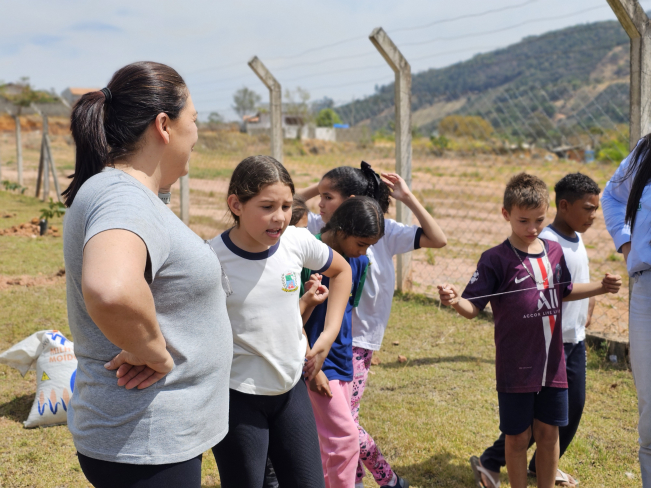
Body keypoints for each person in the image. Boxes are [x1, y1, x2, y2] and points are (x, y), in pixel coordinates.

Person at [62, 62, 232, 488]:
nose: (198, 134)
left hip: (145, 436)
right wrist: (155, 351)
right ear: (164, 125)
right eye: (194, 120)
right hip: (147, 437)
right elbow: (110, 288)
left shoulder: (124, 192)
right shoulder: (124, 195)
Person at [437, 173, 621, 488]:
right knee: (518, 436)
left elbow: (564, 291)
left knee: (549, 433)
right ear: (506, 214)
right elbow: (472, 308)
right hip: (516, 364)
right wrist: (455, 301)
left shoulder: (554, 252)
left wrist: (601, 288)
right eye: (523, 221)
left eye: (539, 220)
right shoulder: (494, 259)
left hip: (553, 361)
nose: (532, 228)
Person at [298, 162, 446, 488]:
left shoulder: (378, 236)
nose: (320, 203)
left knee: (343, 427)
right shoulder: (315, 236)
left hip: (355, 344)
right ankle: (383, 479)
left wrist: (407, 197)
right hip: (322, 348)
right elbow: (291, 203)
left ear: (351, 202)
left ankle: (367, 479)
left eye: (328, 196)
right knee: (343, 429)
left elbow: (438, 238)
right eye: (320, 195)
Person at [209, 155, 353, 488]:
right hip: (237, 397)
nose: (280, 217)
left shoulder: (296, 242)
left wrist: (326, 337)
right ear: (236, 204)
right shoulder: (211, 258)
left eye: (287, 206)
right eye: (267, 206)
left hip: (291, 390)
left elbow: (342, 271)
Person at [301, 196, 385, 488]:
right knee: (345, 440)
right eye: (361, 243)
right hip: (313, 363)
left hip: (341, 361)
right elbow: (291, 316)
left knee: (329, 444)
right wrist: (313, 368)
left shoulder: (359, 262)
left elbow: (345, 314)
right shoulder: (305, 254)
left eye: (369, 246)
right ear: (341, 230)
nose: (364, 252)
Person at [602, 136, 651, 486]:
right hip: (647, 291)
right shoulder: (646, 151)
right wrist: (626, 243)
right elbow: (612, 196)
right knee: (650, 404)